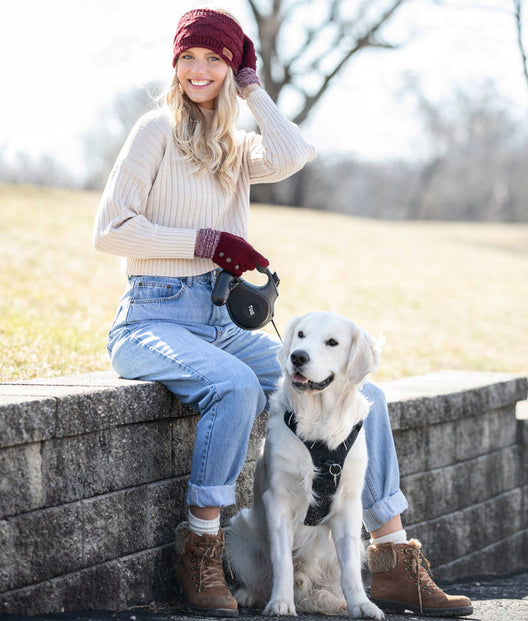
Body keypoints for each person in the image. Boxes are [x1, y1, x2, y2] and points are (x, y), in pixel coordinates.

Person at [94, 8, 472, 619]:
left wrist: (252, 89)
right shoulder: (152, 132)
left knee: (356, 390)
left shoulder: (237, 147)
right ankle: (202, 546)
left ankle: (394, 557)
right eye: (189, 58)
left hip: (219, 321)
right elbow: (110, 231)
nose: (199, 70)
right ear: (175, 64)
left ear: (231, 67)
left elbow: (296, 151)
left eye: (215, 59)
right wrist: (208, 243)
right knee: (237, 387)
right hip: (151, 319)